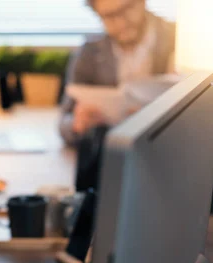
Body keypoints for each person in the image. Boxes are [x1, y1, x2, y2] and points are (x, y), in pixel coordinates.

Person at [59, 0, 175, 191]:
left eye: (126, 9)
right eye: (109, 16)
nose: (121, 23)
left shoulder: (180, 40)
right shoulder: (90, 52)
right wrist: (77, 123)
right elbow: (63, 121)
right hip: (113, 164)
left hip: (164, 161)